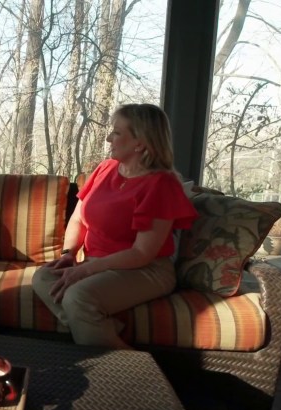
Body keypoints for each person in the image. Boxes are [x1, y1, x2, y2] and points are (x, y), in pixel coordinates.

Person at [32, 103, 197, 349]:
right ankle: (98, 329)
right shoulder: (105, 169)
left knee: (78, 297)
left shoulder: (161, 185)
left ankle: (126, 367)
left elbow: (141, 253)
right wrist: (68, 254)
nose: (109, 138)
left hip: (145, 270)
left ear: (140, 143)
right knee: (43, 277)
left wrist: (87, 270)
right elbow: (78, 219)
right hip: (98, 265)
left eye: (117, 133)